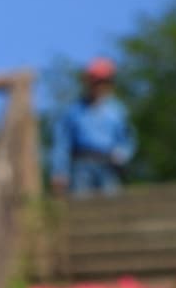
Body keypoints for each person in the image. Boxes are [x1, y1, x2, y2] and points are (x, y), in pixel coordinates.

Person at [51, 57, 136, 197]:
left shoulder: (118, 111)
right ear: (88, 82)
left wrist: (122, 154)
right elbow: (62, 144)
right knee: (82, 209)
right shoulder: (73, 111)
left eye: (104, 82)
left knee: (112, 209)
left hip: (108, 166)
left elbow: (128, 139)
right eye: (96, 82)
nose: (99, 86)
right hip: (81, 166)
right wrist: (59, 172)